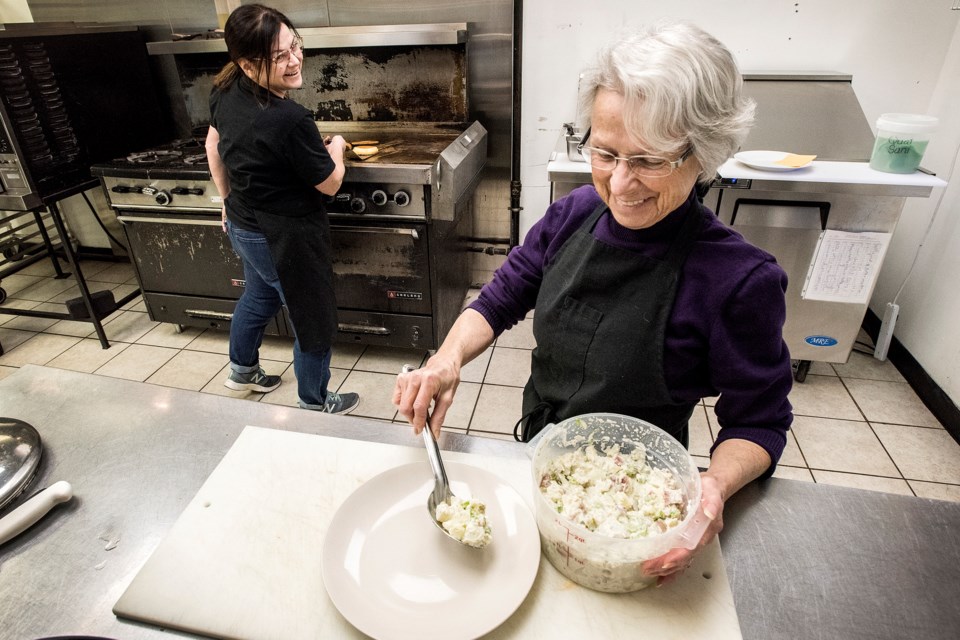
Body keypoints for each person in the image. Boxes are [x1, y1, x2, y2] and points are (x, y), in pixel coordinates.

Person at [393, 21, 793, 584]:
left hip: (636, 503)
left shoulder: (738, 279)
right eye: (605, 153)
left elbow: (759, 422)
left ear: (704, 153)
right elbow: (504, 295)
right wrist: (447, 357)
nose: (622, 183)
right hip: (542, 456)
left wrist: (714, 488)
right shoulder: (573, 214)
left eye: (650, 160)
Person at [205, 4, 359, 414]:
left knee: (258, 296)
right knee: (313, 315)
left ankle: (242, 372)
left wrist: (225, 200)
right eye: (279, 57)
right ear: (247, 63)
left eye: (296, 46)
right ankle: (313, 399)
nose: (294, 61)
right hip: (284, 236)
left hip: (243, 224)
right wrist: (338, 147)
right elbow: (329, 183)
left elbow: (212, 146)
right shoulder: (290, 119)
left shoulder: (225, 88)